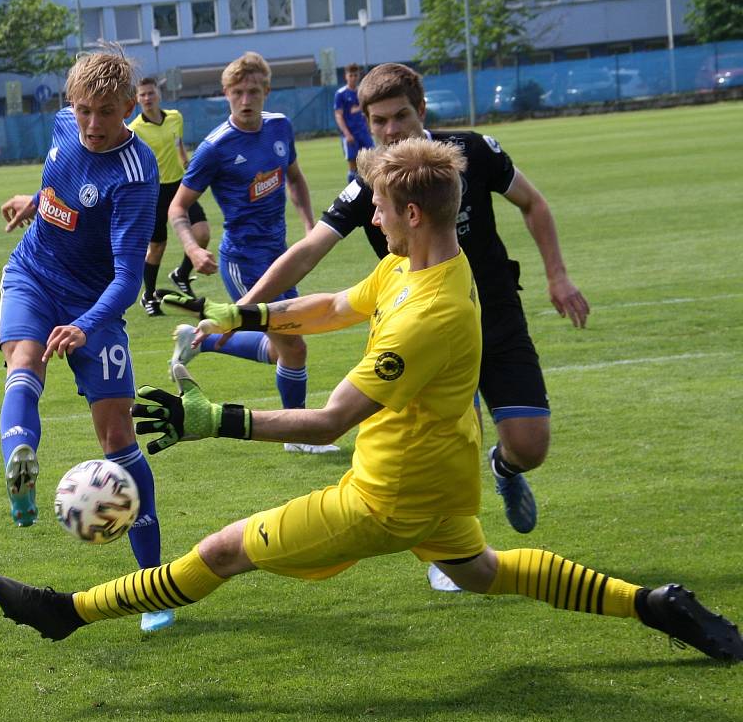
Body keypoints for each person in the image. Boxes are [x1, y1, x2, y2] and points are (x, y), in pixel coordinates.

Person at [0, 139, 743, 665]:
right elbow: (331, 303)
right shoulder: (417, 268)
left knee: (222, 550)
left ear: (413, 214)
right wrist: (241, 315)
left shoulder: (431, 312)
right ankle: (657, 604)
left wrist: (208, 420)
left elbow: (330, 420)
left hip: (386, 496)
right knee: (487, 570)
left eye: (380, 208)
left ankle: (70, 613)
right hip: (445, 480)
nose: (372, 219)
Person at [216, 62, 589, 589]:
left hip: (496, 319)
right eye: (378, 122)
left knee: (530, 448)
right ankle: (452, 553)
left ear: (422, 110)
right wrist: (243, 311)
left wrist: (558, 276)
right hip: (426, 334)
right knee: (444, 431)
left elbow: (533, 203)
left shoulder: (473, 152)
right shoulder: (368, 184)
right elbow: (307, 253)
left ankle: (503, 470)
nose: (391, 131)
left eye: (401, 116)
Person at [0, 48, 174, 632]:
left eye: (105, 112)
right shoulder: (63, 126)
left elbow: (127, 279)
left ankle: (154, 591)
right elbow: (59, 180)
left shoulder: (135, 172)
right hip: (33, 271)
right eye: (82, 110)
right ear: (69, 106)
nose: (92, 125)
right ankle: (19, 469)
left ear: (130, 106)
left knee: (117, 435)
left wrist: (86, 325)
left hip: (92, 304)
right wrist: (35, 202)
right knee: (23, 360)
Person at [165, 51, 338, 455]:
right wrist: (192, 248)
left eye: (254, 91)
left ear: (267, 92)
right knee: (295, 345)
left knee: (281, 348)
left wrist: (310, 227)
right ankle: (298, 437)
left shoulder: (280, 128)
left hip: (280, 258)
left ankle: (203, 340)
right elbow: (177, 206)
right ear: (226, 94)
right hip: (243, 262)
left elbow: (294, 178)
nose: (247, 99)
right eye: (238, 92)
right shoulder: (215, 148)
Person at [128, 77, 210, 316]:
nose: (147, 98)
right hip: (153, 192)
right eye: (142, 95)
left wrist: (186, 162)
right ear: (137, 99)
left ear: (158, 95)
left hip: (180, 186)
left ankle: (182, 274)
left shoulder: (175, 117)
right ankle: (149, 296)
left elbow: (178, 143)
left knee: (202, 233)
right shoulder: (134, 130)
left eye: (150, 93)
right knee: (157, 247)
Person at [334, 63, 374, 182]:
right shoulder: (341, 94)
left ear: (359, 76)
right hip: (350, 134)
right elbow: (338, 115)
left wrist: (370, 128)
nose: (353, 78)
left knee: (371, 161)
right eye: (350, 75)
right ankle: (353, 193)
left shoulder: (363, 92)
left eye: (355, 75)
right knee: (353, 165)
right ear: (346, 76)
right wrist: (347, 134)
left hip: (364, 133)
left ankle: (370, 189)